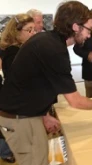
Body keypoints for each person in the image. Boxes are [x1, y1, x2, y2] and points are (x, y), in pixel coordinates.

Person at [0, 1, 92, 165]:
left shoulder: (48, 41)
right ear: (75, 27)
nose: (90, 34)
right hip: (19, 119)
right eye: (88, 29)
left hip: (29, 114)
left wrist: (44, 115)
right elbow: (75, 100)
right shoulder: (53, 48)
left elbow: (33, 85)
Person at [0, 13, 36, 164]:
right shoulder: (13, 52)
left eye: (34, 29)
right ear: (16, 31)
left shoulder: (20, 48)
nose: (34, 33)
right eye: (29, 30)